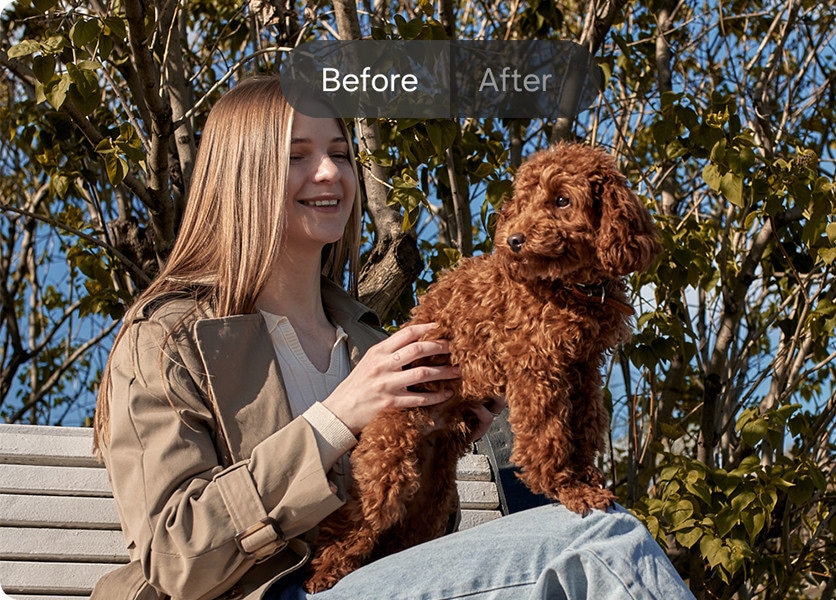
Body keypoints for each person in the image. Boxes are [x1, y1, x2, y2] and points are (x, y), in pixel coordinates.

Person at [92, 76, 694, 600]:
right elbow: (175, 557)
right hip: (266, 592)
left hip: (375, 582)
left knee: (603, 533)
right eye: (298, 155)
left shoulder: (368, 335)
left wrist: (445, 436)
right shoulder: (169, 341)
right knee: (598, 543)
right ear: (243, 176)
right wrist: (335, 420)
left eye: (339, 153)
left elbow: (412, 529)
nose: (328, 171)